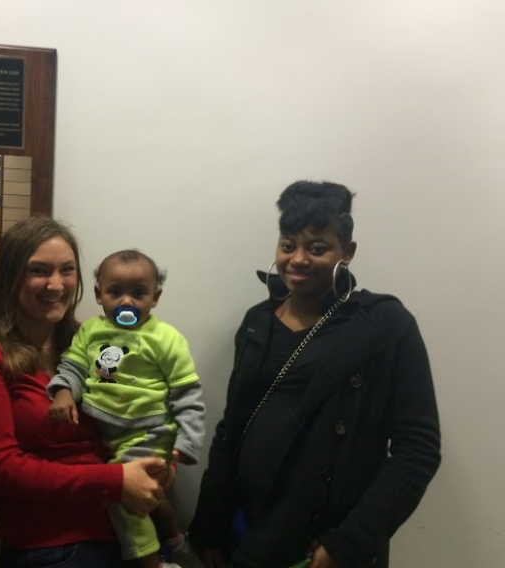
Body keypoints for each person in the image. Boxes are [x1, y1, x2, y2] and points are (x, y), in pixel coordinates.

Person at [189, 181, 441, 568]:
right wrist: (209, 522)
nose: (298, 259)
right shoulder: (258, 322)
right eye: (288, 245)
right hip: (244, 529)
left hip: (323, 544)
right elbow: (231, 429)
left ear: (348, 251)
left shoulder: (385, 326)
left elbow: (418, 449)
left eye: (317, 248)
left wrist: (346, 545)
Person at [0, 216, 170, 568]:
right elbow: (3, 471)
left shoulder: (92, 342)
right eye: (39, 271)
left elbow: (134, 407)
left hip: (130, 539)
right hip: (51, 550)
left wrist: (162, 459)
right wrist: (116, 480)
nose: (55, 285)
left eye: (67, 270)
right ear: (10, 277)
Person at [47, 249, 206, 568]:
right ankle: (176, 543)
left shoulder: (166, 339)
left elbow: (187, 394)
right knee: (149, 495)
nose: (127, 302)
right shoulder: (90, 331)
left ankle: (153, 564)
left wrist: (188, 442)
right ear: (98, 294)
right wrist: (63, 392)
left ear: (155, 297)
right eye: (115, 292)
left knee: (124, 500)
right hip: (109, 434)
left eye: (139, 293)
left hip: (150, 432)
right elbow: (74, 367)